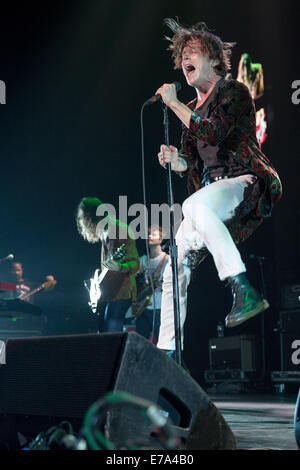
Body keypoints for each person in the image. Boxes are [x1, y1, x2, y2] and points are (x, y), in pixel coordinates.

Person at [154, 19, 282, 355]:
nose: (185, 58)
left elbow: (214, 133)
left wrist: (174, 104)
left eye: (193, 51)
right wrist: (178, 161)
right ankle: (167, 353)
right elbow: (194, 165)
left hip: (242, 183)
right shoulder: (191, 110)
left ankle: (242, 287)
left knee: (194, 206)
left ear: (213, 60)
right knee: (174, 264)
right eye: (182, 54)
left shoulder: (233, 92)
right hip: (211, 195)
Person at [76, 196, 139, 332]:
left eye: (84, 219)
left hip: (122, 292)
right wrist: (95, 284)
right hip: (110, 292)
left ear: (89, 216)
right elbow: (107, 269)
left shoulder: (119, 229)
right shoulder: (105, 232)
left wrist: (121, 267)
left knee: (111, 334)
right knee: (104, 333)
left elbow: (135, 263)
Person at [135, 226, 169, 344]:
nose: (149, 236)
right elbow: (130, 277)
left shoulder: (167, 260)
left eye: (153, 234)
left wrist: (163, 286)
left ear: (160, 239)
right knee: (140, 344)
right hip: (143, 308)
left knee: (163, 345)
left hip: (160, 308)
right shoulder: (143, 260)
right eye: (148, 234)